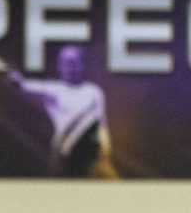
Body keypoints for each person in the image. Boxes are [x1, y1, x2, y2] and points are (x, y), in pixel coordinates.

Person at [8, 46, 113, 178]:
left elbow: (102, 125)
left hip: (88, 155)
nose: (70, 67)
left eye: (74, 63)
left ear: (82, 64)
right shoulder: (52, 90)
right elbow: (22, 85)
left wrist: (105, 152)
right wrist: (15, 78)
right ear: (60, 66)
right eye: (66, 63)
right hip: (63, 155)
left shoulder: (93, 91)